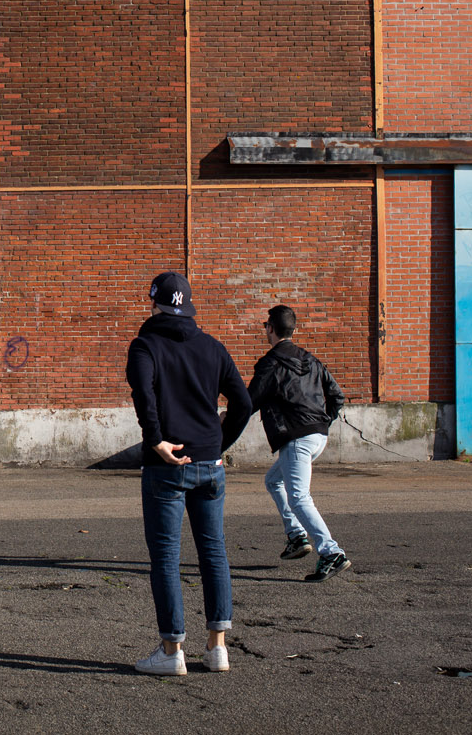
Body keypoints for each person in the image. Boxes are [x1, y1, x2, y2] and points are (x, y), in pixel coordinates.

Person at [126, 272, 252, 676]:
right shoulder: (213, 347)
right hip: (210, 465)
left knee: (166, 557)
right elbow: (243, 403)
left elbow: (143, 392)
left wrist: (156, 439)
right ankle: (217, 648)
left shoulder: (146, 344)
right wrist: (218, 444)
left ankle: (171, 650)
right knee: (213, 551)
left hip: (167, 464)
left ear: (153, 303)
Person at [250, 304, 351, 582]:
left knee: (299, 497)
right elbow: (337, 396)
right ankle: (296, 536)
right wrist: (321, 423)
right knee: (274, 481)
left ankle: (331, 552)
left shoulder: (270, 363)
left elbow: (250, 401)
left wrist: (225, 418)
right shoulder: (312, 360)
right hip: (318, 436)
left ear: (270, 328)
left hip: (297, 439)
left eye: (265, 326)